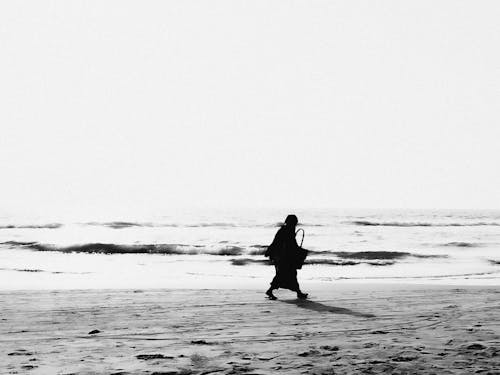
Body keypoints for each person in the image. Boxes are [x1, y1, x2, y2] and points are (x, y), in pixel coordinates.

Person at [264, 214, 308, 300]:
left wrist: (269, 252)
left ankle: (298, 292)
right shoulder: (286, 230)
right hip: (283, 257)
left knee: (288, 274)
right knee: (284, 274)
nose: (295, 224)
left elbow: (278, 242)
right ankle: (270, 290)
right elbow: (281, 243)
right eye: (295, 222)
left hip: (284, 256)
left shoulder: (286, 230)